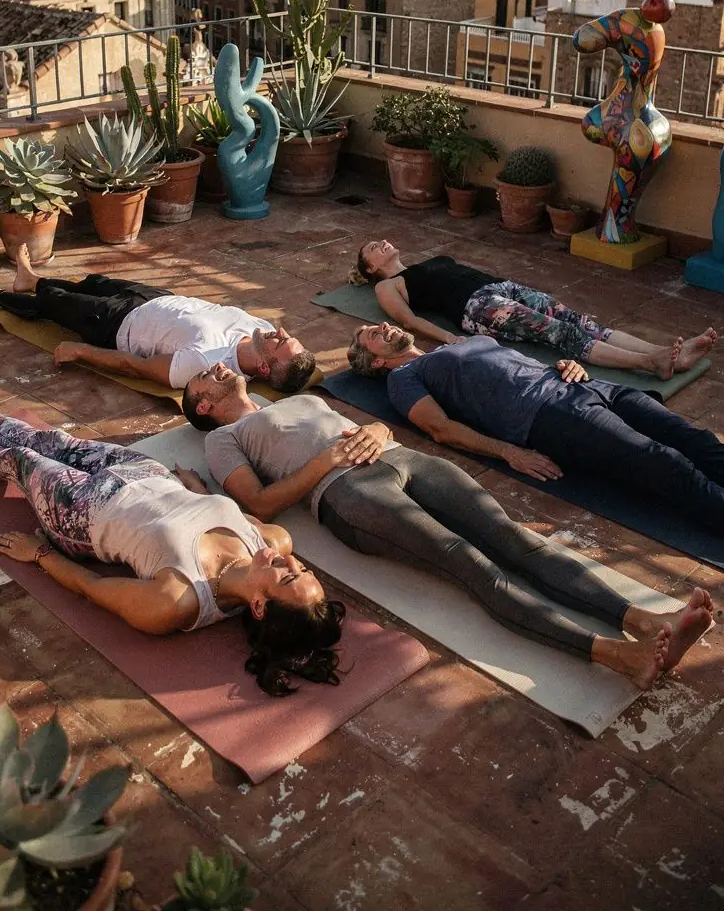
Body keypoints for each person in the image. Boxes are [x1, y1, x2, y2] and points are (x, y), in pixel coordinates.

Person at [179, 363, 715, 691]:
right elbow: (261, 503)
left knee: (514, 538)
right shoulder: (223, 438)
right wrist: (330, 461)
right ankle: (617, 655)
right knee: (468, 561)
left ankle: (641, 621)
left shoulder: (297, 398)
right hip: (346, 494)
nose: (221, 369)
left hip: (398, 456)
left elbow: (365, 424)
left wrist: (373, 427)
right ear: (202, 405)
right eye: (208, 376)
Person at [0, 373, 344, 697]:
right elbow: (226, 512)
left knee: (22, 460)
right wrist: (196, 490)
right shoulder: (274, 542)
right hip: (145, 474)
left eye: (287, 576)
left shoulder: (175, 601)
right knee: (55, 440)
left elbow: (92, 586)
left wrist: (39, 553)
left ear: (260, 607)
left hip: (84, 513)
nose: (289, 559)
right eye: (300, 566)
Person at [346, 322, 724, 528]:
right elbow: (441, 428)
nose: (383, 326)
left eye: (379, 325)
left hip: (581, 383)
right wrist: (510, 452)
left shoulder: (450, 345)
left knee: (692, 438)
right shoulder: (404, 378)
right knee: (662, 460)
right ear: (376, 362)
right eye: (373, 336)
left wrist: (563, 365)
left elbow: (516, 364)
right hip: (549, 415)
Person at [0, 244, 316, 393]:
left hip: (117, 324)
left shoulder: (206, 365)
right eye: (287, 336)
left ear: (264, 369)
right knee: (93, 282)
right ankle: (30, 280)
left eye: (282, 343)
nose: (280, 332)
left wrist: (81, 352)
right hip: (157, 299)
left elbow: (135, 366)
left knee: (55, 303)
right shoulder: (261, 331)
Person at [354, 240, 716, 379]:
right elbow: (409, 320)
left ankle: (669, 354)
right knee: (559, 332)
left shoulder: (428, 260)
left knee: (579, 319)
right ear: (370, 269)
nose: (383, 243)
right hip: (477, 308)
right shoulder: (388, 285)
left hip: (500, 286)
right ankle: (649, 362)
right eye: (374, 247)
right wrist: (449, 336)